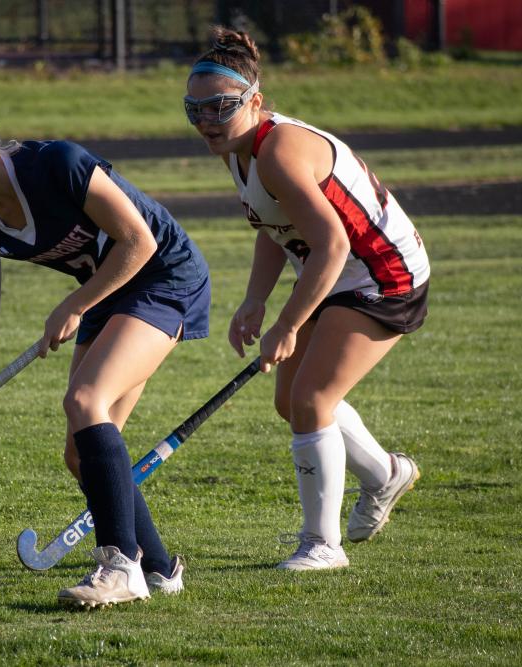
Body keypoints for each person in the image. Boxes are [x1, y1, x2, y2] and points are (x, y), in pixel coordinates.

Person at [0, 76, 211, 606]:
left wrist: (75, 304)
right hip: (107, 292)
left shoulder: (59, 165)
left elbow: (140, 241)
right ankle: (159, 568)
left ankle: (120, 567)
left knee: (85, 401)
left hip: (163, 275)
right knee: (79, 452)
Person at [185, 29, 430, 570]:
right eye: (194, 109)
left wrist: (287, 325)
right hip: (335, 270)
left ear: (255, 101)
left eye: (219, 108)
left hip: (380, 273)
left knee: (311, 400)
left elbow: (334, 244)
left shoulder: (279, 151)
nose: (206, 120)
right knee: (289, 401)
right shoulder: (238, 148)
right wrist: (255, 301)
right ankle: (387, 475)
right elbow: (274, 224)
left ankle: (323, 546)